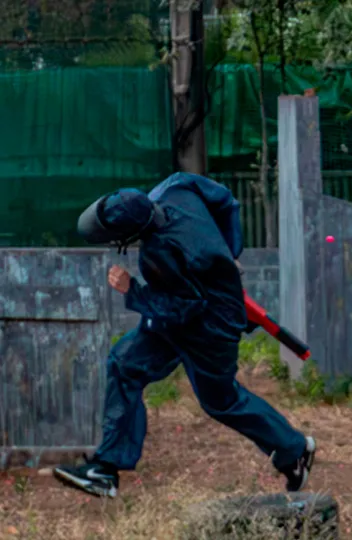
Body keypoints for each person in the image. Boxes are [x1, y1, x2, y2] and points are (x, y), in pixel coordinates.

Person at [53, 173, 316, 498]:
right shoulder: (175, 187)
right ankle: (104, 468)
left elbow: (182, 308)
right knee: (124, 366)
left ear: (133, 233)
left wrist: (132, 290)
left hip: (211, 327)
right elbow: (225, 200)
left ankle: (294, 450)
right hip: (185, 308)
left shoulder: (161, 252)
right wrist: (230, 251)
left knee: (222, 401)